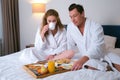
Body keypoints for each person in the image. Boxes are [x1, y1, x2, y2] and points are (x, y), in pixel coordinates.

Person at [67, 3, 120, 72]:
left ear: (82, 14)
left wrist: (83, 59)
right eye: (70, 17)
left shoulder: (96, 26)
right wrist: (69, 59)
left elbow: (97, 47)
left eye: (75, 16)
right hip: (84, 57)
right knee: (89, 66)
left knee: (117, 64)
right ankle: (106, 67)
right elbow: (70, 46)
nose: (73, 20)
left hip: (101, 54)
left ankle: (108, 66)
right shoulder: (70, 27)